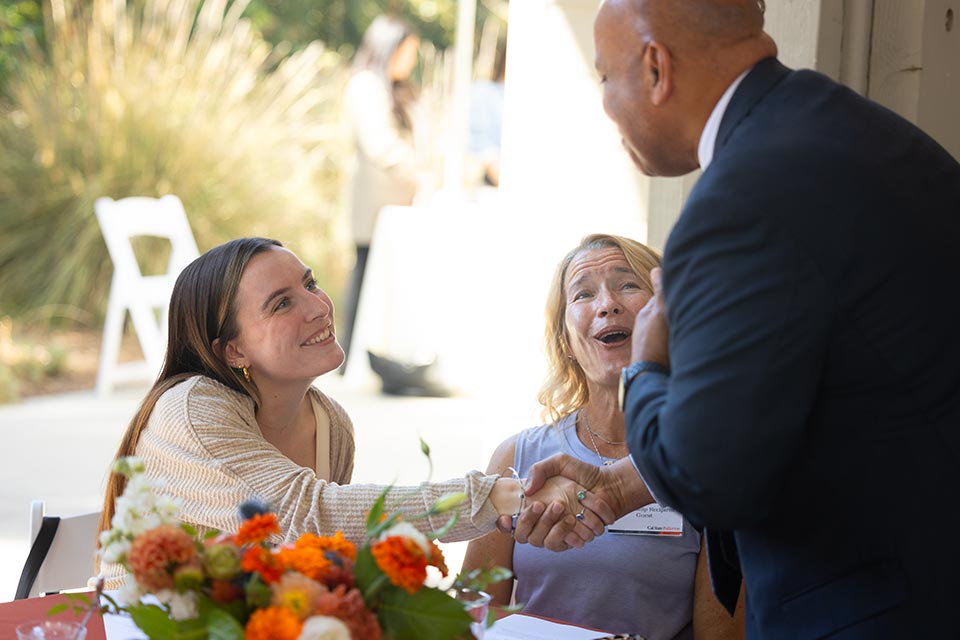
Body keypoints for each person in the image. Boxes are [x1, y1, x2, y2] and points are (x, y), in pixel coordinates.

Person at [518, 0, 960, 638]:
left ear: (655, 67)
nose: (607, 105)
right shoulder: (846, 133)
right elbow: (772, 407)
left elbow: (711, 478)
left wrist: (646, 361)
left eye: (604, 79)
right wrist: (617, 488)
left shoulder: (739, 201)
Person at [98, 238, 611, 583]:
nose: (319, 306)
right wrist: (499, 496)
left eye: (311, 283)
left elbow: (321, 562)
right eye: (281, 303)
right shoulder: (192, 409)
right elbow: (307, 516)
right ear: (232, 350)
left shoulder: (331, 424)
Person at [462, 234, 742, 638]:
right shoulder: (517, 456)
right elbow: (469, 616)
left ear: (667, 315)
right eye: (583, 294)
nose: (607, 304)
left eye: (628, 284)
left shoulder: (705, 460)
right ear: (566, 341)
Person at [340, 15, 423, 366]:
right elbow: (380, 145)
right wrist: (419, 172)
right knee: (364, 273)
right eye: (408, 51)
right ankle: (348, 356)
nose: (412, 60)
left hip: (404, 202)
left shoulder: (402, 88)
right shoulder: (364, 86)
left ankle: (385, 355)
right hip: (375, 201)